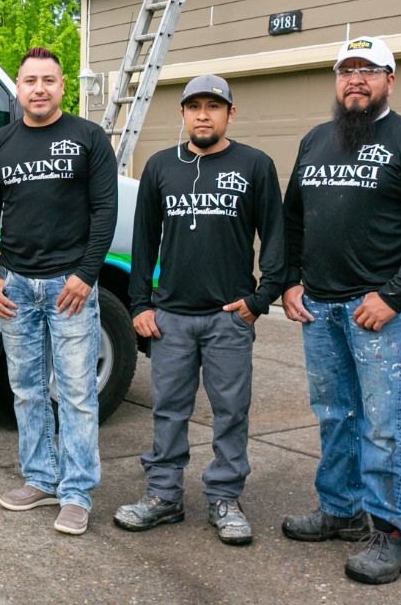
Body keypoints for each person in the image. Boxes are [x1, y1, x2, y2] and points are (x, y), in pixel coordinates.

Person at [281, 36, 401, 584]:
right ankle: (341, 511)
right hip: (321, 307)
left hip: (376, 311)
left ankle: (396, 534)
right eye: (346, 70)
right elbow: (292, 220)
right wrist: (289, 282)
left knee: (384, 426)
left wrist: (393, 296)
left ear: (390, 80)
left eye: (369, 70)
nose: (356, 79)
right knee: (335, 416)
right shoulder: (314, 141)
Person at [113, 74, 285, 545]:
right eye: (195, 107)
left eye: (214, 106)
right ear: (183, 114)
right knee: (169, 410)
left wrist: (260, 299)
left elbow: (276, 236)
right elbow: (143, 240)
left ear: (231, 112)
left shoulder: (254, 165)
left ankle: (225, 497)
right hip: (170, 317)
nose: (203, 115)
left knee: (231, 411)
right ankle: (163, 496)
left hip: (229, 316)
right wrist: (140, 305)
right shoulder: (160, 166)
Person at [0, 47, 117, 536]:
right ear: (17, 87)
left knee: (76, 393)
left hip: (68, 286)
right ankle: (39, 478)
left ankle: (76, 492)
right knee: (27, 389)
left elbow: (104, 211)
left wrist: (86, 274)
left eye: (48, 80)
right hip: (15, 284)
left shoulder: (88, 138)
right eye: (30, 80)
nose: (39, 88)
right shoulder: (0, 143)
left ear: (62, 86)